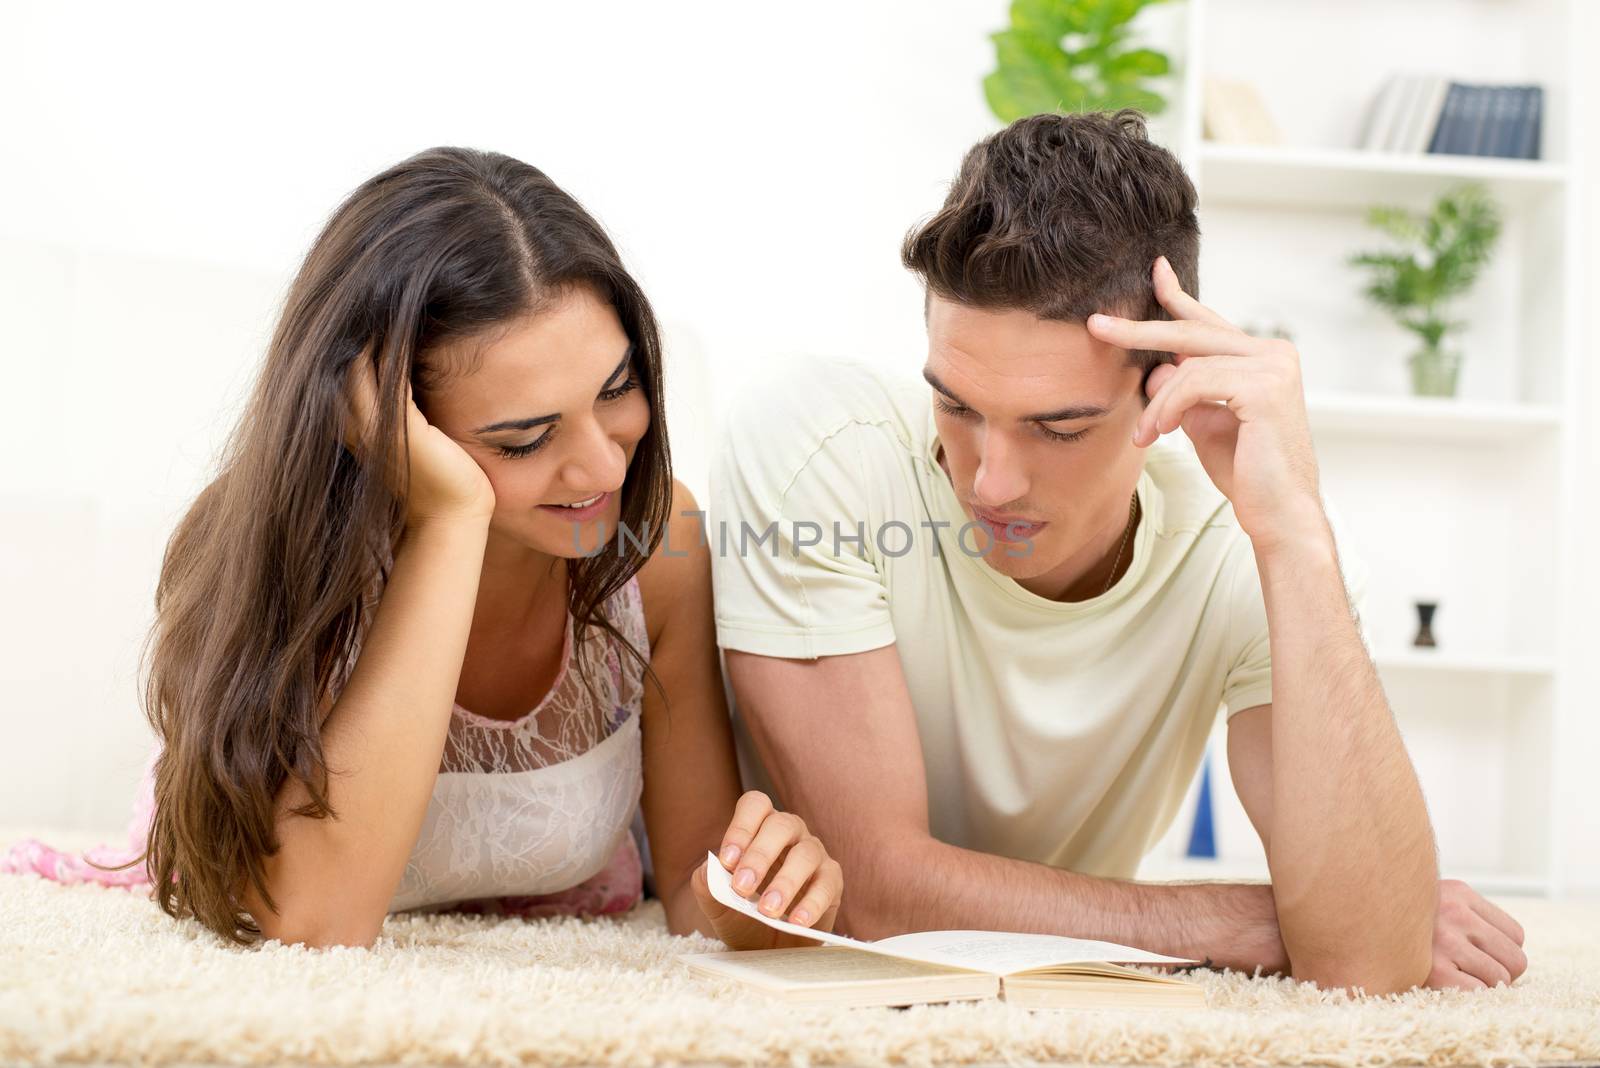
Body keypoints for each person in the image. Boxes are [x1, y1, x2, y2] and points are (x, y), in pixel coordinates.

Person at [709, 111, 1526, 994]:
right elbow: (873, 892)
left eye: (1058, 428)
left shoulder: (1238, 547)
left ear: (1169, 388)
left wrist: (1294, 533)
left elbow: (1366, 962)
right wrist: (1263, 916)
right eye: (957, 407)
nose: (989, 483)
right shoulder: (822, 451)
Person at [1, 147, 841, 951]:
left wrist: (757, 898)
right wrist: (449, 520)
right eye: (522, 439)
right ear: (384, 422)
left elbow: (701, 890)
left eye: (616, 391)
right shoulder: (281, 562)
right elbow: (318, 926)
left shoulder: (654, 553)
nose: (601, 463)